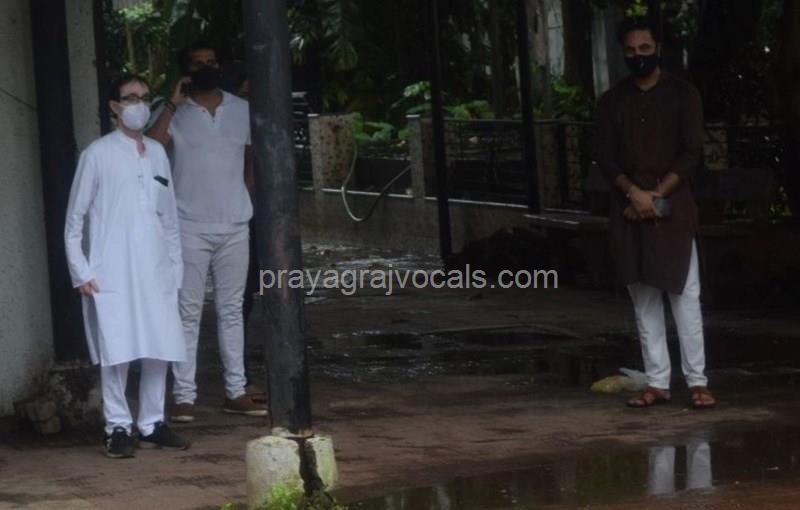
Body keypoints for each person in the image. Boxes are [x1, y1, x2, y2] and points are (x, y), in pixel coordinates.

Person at [65, 75, 191, 458]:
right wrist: (81, 271)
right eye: (130, 98)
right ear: (114, 107)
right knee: (116, 350)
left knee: (159, 345)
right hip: (111, 271)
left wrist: (176, 268)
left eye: (144, 97)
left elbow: (169, 217)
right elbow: (74, 220)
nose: (139, 104)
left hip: (156, 269)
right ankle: (117, 427)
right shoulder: (97, 154)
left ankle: (152, 423)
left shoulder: (157, 153)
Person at [594, 16, 716, 409]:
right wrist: (634, 194)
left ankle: (697, 382)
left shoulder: (684, 95)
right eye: (631, 51)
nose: (638, 56)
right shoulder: (611, 102)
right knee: (644, 298)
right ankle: (658, 382)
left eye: (644, 48)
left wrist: (656, 195)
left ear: (658, 48)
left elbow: (691, 153)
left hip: (674, 207)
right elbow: (607, 159)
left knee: (685, 294)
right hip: (628, 208)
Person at [147, 41, 266, 421]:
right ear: (186, 70)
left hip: (235, 225)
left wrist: (244, 196)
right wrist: (172, 103)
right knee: (188, 313)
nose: (206, 68)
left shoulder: (241, 110)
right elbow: (150, 147)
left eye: (211, 62)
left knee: (232, 311)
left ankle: (235, 391)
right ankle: (184, 396)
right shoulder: (173, 112)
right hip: (188, 226)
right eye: (197, 63)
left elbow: (250, 160)